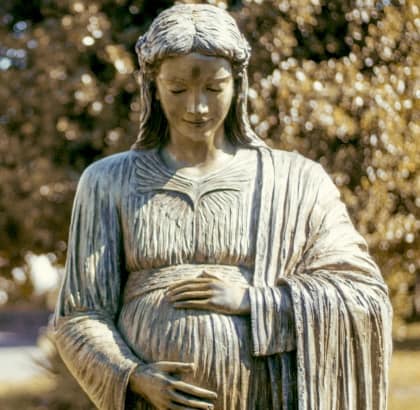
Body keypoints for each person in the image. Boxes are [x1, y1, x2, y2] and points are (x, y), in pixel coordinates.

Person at [53, 4, 392, 410]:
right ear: (152, 86)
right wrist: (133, 376)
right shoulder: (108, 181)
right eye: (178, 89)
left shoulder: (297, 181)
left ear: (238, 85)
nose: (196, 107)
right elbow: (79, 313)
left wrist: (252, 301)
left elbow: (361, 293)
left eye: (214, 89)